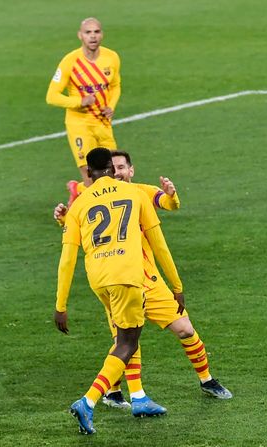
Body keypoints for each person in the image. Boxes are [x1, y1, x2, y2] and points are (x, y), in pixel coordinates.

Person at [54, 150, 232, 406]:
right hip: (123, 276)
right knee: (125, 341)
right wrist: (63, 220)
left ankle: (206, 379)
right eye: (114, 168)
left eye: (122, 167)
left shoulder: (139, 192)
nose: (118, 172)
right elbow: (88, 230)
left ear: (131, 170)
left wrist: (171, 195)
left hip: (148, 279)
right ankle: (126, 395)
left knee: (183, 329)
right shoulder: (94, 199)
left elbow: (167, 203)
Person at [55, 148, 183, 434]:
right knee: (127, 342)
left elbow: (67, 259)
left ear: (88, 173)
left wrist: (60, 305)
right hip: (127, 276)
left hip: (98, 279)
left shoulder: (79, 203)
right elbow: (158, 244)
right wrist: (176, 286)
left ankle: (138, 397)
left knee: (123, 337)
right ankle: (88, 401)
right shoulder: (134, 194)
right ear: (112, 169)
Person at [46, 17, 121, 204]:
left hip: (103, 123)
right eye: (88, 32)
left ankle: (76, 190)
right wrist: (80, 101)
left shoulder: (111, 57)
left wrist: (111, 106)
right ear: (80, 36)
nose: (93, 36)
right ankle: (91, 215)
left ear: (102, 34)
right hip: (79, 123)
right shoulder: (70, 62)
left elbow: (116, 86)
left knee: (114, 171)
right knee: (90, 175)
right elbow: (52, 96)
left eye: (96, 32)